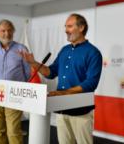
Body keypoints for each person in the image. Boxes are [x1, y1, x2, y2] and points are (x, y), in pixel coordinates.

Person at [19, 13, 102, 144]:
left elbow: (91, 83)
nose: (66, 30)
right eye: (65, 27)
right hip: (62, 109)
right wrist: (33, 63)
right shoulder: (64, 50)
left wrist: (63, 93)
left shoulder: (93, 52)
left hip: (81, 110)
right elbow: (51, 72)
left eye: (69, 26)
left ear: (81, 28)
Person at [0, 19, 31, 144]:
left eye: (9, 30)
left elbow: (27, 73)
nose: (7, 33)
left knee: (14, 131)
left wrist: (17, 88)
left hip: (14, 97)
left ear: (13, 32)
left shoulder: (21, 49)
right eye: (3, 30)